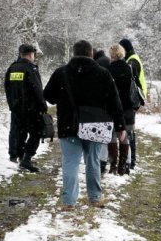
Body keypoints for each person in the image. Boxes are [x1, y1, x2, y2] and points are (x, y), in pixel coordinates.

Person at [43, 40, 125, 209]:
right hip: (95, 124)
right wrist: (120, 126)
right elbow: (114, 101)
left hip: (69, 124)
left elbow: (48, 96)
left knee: (70, 163)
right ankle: (94, 198)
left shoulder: (61, 73)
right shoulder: (103, 73)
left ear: (73, 53)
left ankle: (68, 202)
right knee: (93, 161)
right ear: (91, 54)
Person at [4, 44, 48, 172]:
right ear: (30, 54)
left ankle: (18, 155)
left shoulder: (12, 68)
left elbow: (7, 88)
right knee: (36, 132)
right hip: (31, 108)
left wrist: (12, 105)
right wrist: (43, 106)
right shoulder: (30, 69)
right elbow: (37, 89)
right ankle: (27, 158)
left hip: (16, 108)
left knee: (19, 132)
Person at [119, 38, 147, 170]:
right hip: (134, 99)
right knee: (129, 131)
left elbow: (133, 82)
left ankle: (132, 160)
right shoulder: (133, 58)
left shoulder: (132, 61)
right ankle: (130, 159)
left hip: (132, 100)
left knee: (129, 131)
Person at [107, 44, 135, 175]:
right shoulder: (128, 68)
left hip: (112, 106)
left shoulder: (108, 69)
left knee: (112, 136)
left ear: (111, 54)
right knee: (125, 136)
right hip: (127, 107)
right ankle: (123, 165)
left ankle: (113, 165)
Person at [93, 49, 111, 174]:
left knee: (101, 136)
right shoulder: (107, 61)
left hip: (102, 105)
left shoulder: (98, 64)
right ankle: (105, 161)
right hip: (108, 103)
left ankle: (102, 163)